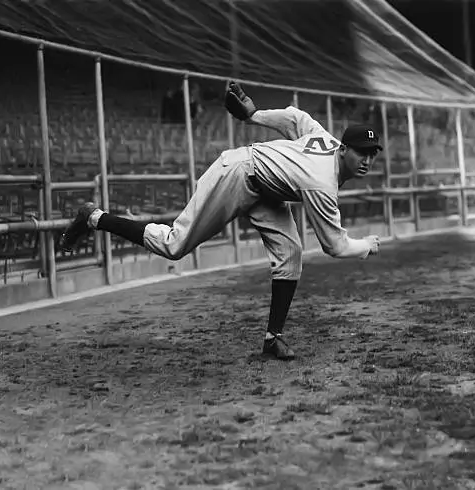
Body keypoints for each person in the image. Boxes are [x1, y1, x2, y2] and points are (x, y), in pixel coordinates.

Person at [60, 82, 383, 361]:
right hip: (238, 173)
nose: (366, 160)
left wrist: (254, 116)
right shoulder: (321, 181)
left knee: (290, 254)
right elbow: (335, 246)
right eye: (360, 152)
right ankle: (93, 217)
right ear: (343, 149)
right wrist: (365, 245)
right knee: (174, 245)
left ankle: (273, 339)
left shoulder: (325, 140)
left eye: (372, 153)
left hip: (265, 189)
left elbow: (298, 118)